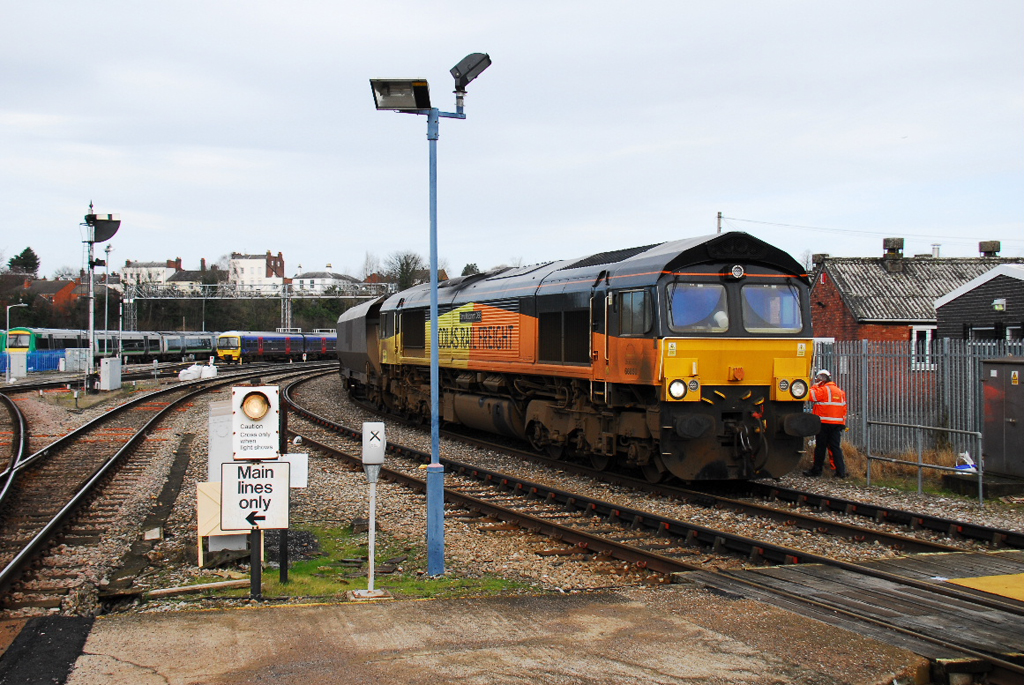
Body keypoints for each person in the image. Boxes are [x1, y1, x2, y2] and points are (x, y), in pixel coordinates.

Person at [803, 369, 848, 478]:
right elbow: (844, 409)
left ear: (821, 379)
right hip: (837, 424)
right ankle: (840, 472)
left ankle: (817, 470)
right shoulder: (840, 392)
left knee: (820, 447)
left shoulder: (823, 390)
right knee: (835, 448)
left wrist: (814, 385)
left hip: (823, 423)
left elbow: (809, 395)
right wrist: (843, 423)